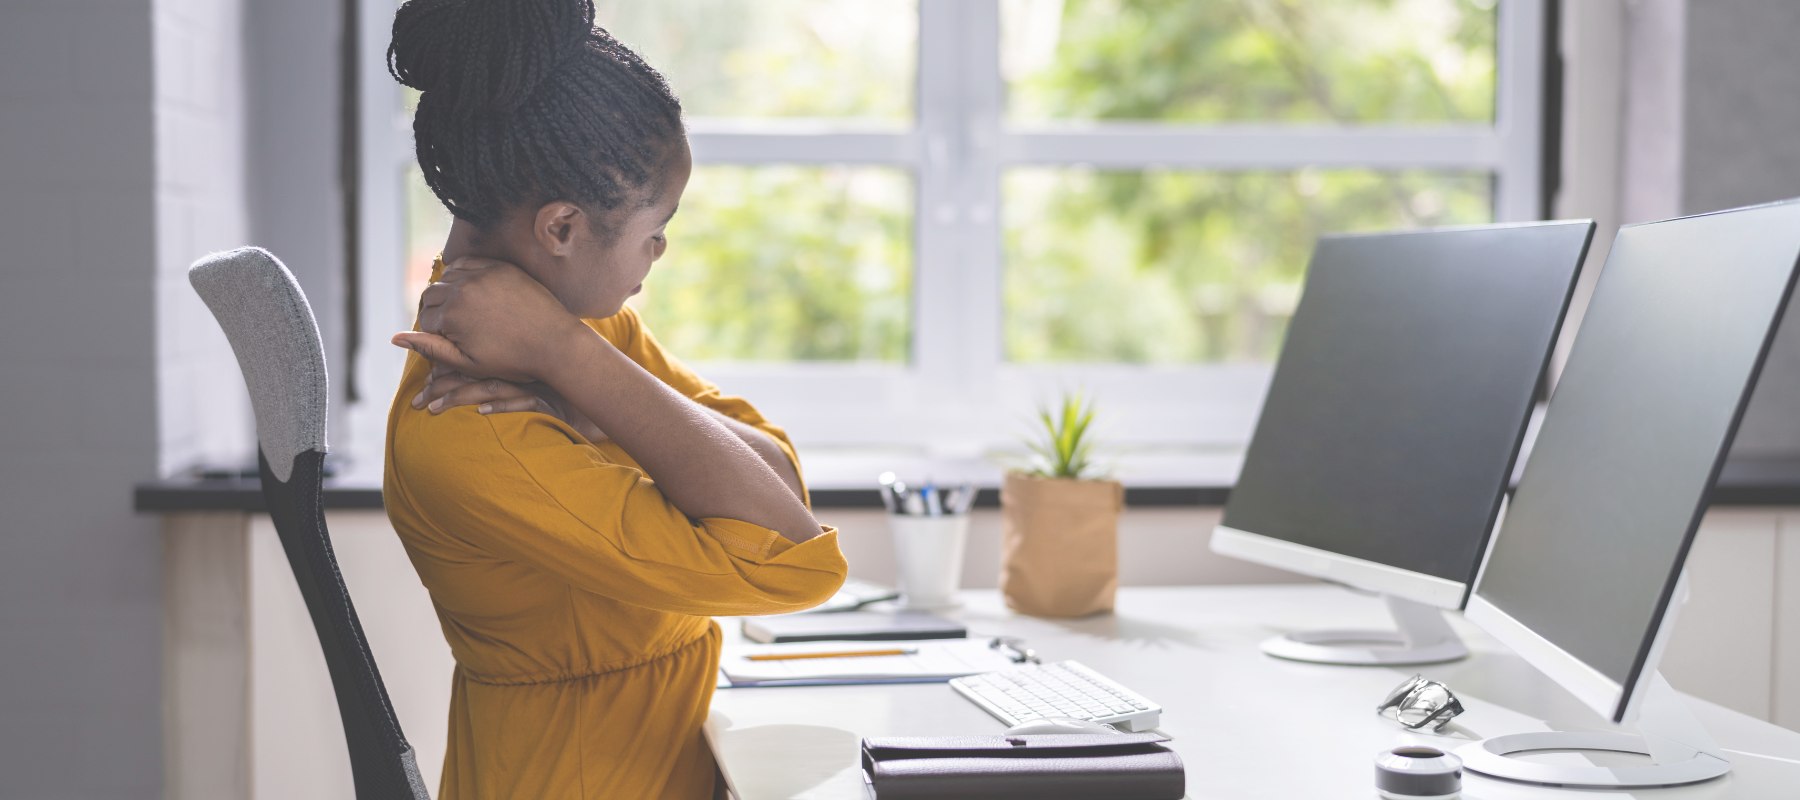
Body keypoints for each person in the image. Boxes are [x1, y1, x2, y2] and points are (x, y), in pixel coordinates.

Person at [381, 1, 848, 797]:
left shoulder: (578, 335)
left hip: (659, 760)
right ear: (561, 227)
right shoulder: (470, 429)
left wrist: (582, 378)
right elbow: (793, 564)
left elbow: (773, 479)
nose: (661, 251)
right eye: (654, 229)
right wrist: (573, 361)